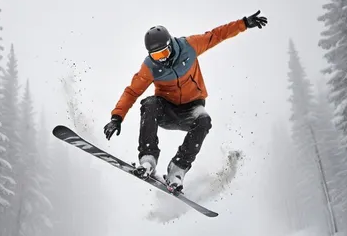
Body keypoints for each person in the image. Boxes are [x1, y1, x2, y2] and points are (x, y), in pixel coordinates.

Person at [103, 10, 267, 192]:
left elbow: (216, 35)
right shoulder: (150, 67)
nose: (162, 59)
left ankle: (177, 170)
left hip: (191, 109)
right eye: (157, 56)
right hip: (167, 109)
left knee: (204, 119)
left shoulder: (189, 46)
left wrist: (243, 23)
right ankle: (148, 159)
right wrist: (117, 117)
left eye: (164, 52)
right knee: (149, 103)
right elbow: (132, 91)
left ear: (170, 45)